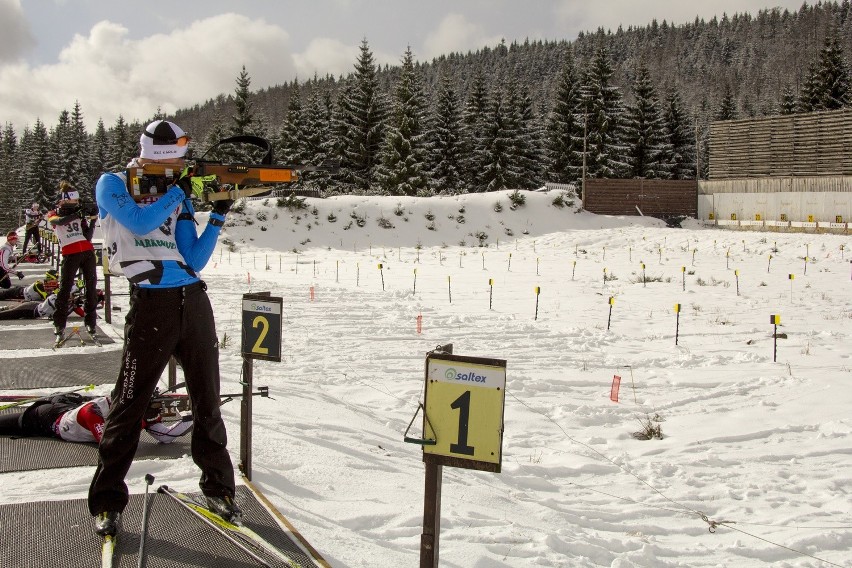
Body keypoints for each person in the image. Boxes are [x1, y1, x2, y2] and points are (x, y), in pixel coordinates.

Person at [88, 119, 238, 537]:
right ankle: (106, 502)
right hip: (151, 303)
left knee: (207, 401)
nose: (174, 170)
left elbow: (194, 256)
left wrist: (218, 216)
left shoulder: (179, 196)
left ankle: (220, 488)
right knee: (129, 403)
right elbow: (136, 222)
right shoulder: (113, 183)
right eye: (168, 162)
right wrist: (178, 192)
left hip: (192, 299)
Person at [0, 392, 192, 444]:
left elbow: (166, 437)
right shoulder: (92, 413)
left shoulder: (132, 412)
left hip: (68, 408)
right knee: (8, 424)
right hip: (46, 418)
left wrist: (193, 418)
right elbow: (109, 442)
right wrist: (142, 422)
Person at [48, 181, 98, 345]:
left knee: (91, 288)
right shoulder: (53, 213)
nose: (75, 204)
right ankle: (59, 324)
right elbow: (60, 222)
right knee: (65, 288)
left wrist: (91, 220)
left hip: (87, 251)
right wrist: (78, 213)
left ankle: (91, 322)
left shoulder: (79, 214)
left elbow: (88, 236)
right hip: (70, 253)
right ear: (63, 200)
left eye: (76, 202)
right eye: (72, 202)